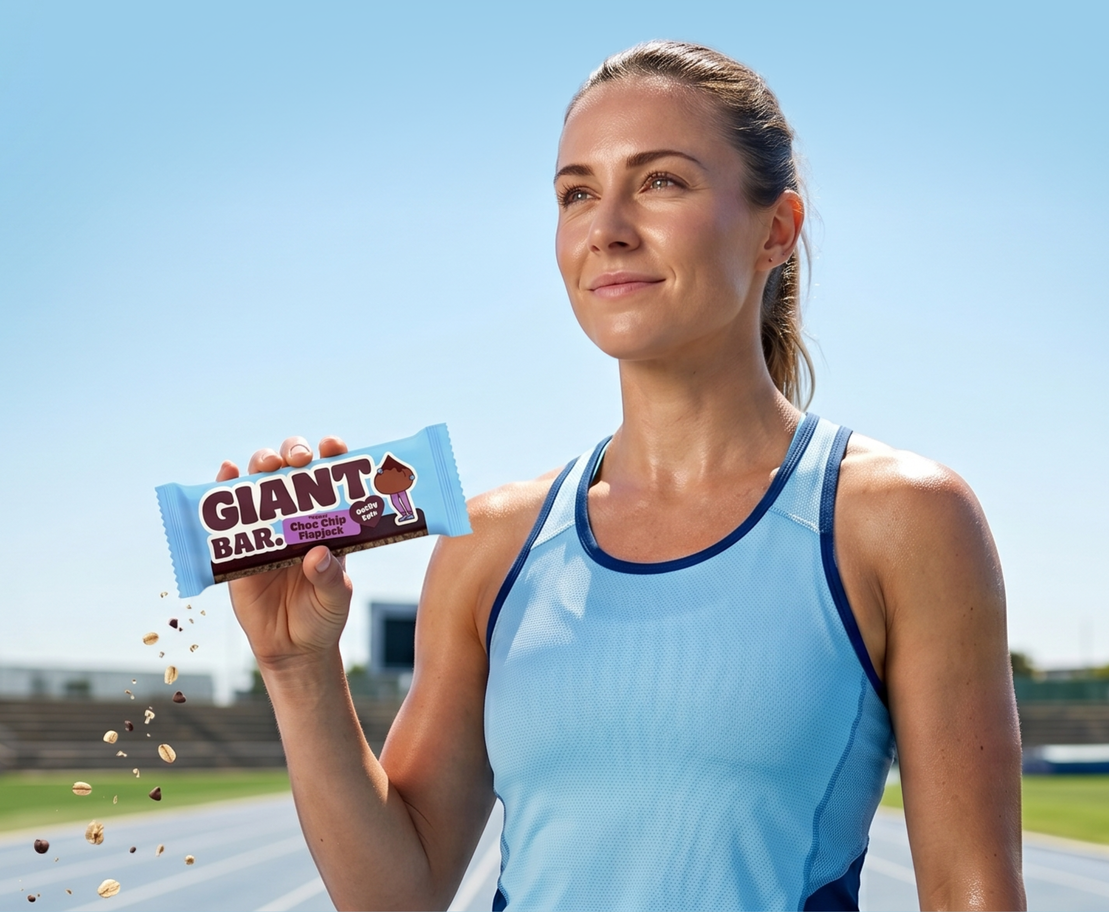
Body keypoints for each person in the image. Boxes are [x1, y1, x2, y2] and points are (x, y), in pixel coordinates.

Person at [220, 40, 1023, 911]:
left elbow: (973, 896)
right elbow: (396, 896)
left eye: (661, 182)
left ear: (776, 230)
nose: (605, 228)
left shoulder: (899, 521)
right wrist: (298, 669)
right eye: (576, 193)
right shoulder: (492, 544)